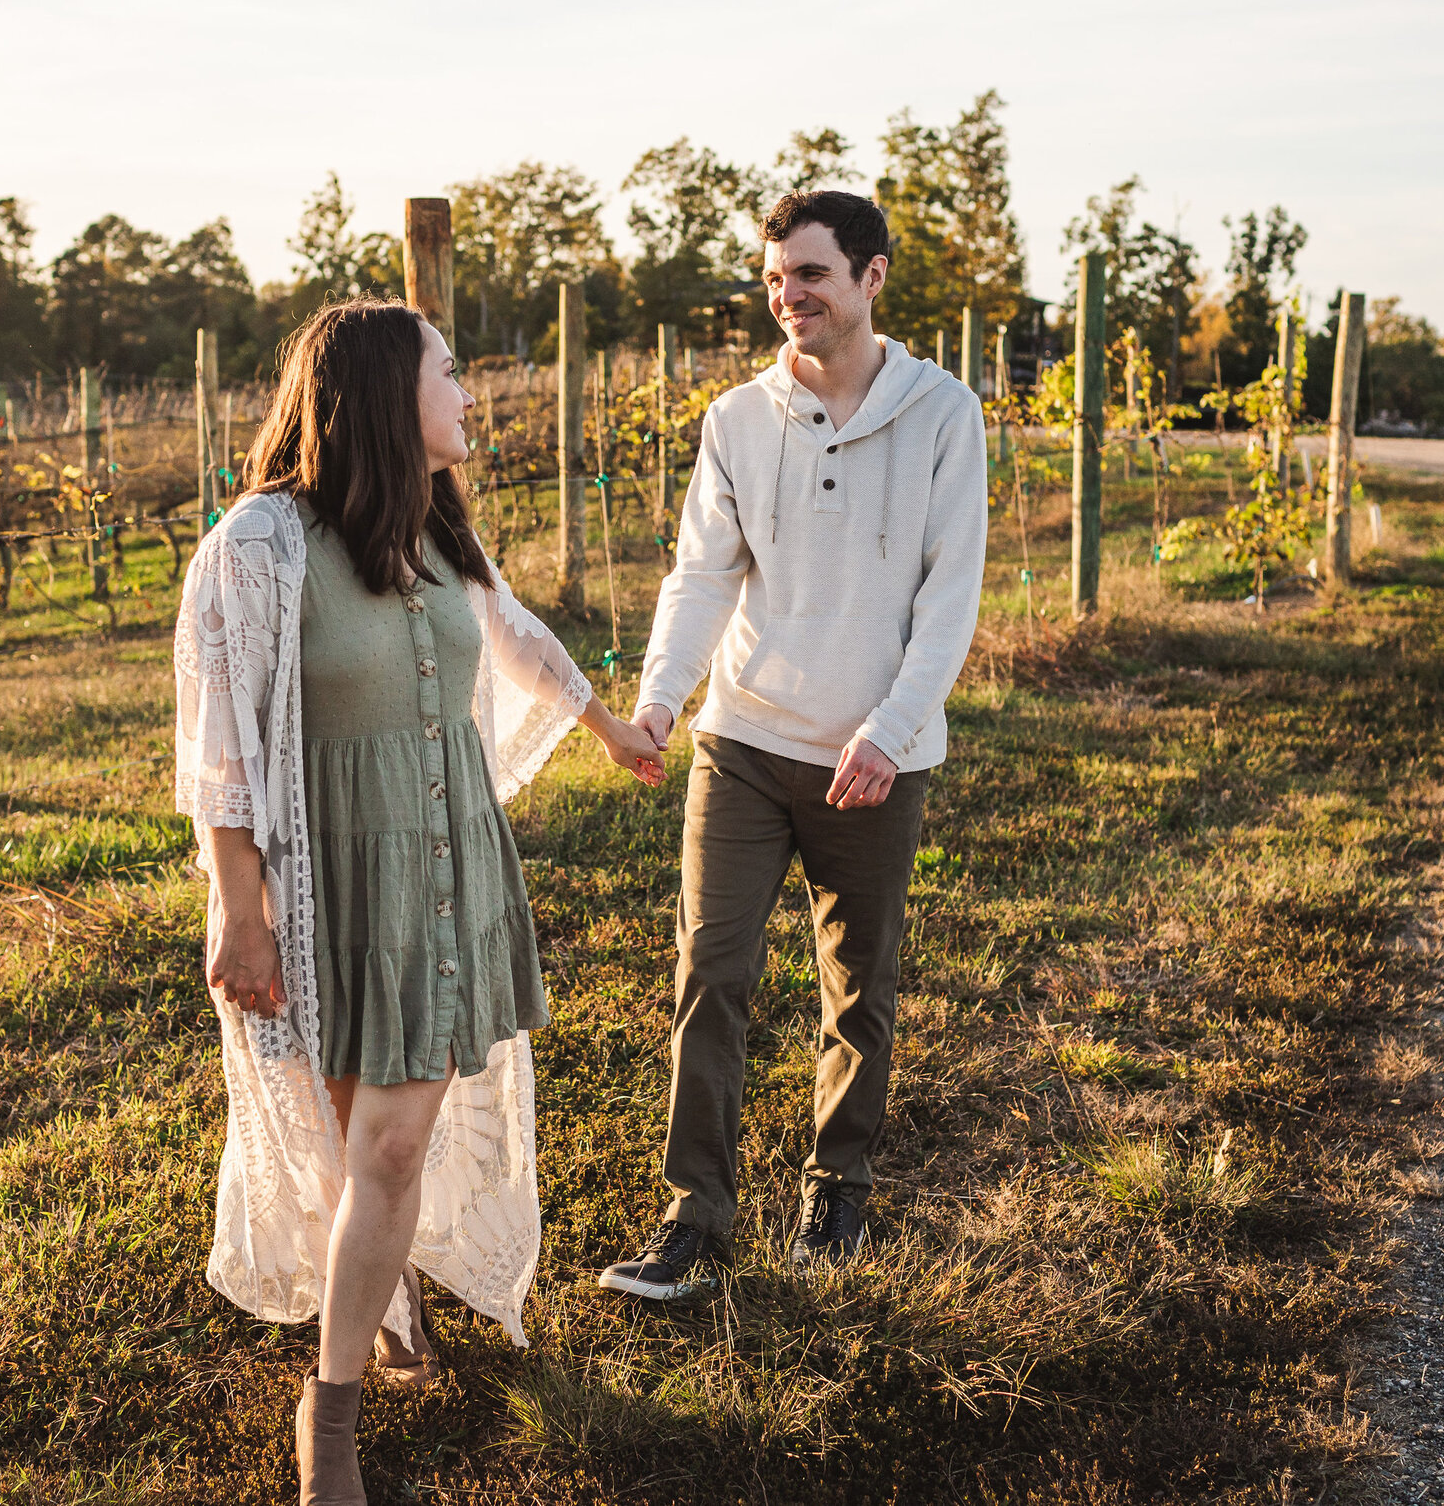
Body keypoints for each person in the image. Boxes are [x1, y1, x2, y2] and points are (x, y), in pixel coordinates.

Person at [173, 298, 665, 1504]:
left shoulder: (438, 530)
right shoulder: (257, 545)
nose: (470, 394)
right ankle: (384, 1309)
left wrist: (610, 725)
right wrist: (241, 911)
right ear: (391, 395)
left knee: (389, 1139)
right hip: (327, 881)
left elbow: (512, 633)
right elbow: (219, 747)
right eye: (451, 372)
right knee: (359, 1143)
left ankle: (327, 1416)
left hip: (442, 871)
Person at [598, 190, 988, 1301]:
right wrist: (663, 699)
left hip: (876, 757)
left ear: (871, 277)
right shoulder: (737, 416)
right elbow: (703, 574)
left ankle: (838, 1190)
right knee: (709, 970)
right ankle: (692, 1219)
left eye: (809, 274)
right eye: (774, 278)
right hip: (746, 738)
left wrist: (889, 730)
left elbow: (946, 598)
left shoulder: (942, 415)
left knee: (856, 985)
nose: (787, 296)